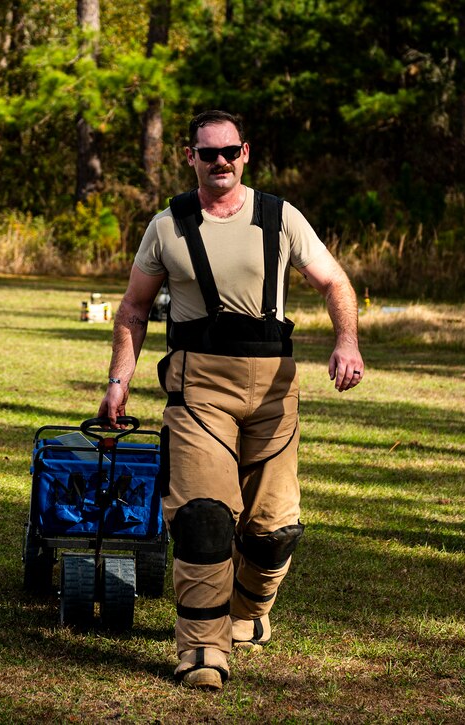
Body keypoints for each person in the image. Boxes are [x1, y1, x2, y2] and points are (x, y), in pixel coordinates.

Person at [98, 110, 363, 691]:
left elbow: (335, 283)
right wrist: (118, 381)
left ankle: (248, 612)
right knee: (203, 519)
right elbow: (134, 309)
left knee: (274, 532)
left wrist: (347, 340)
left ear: (246, 153)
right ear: (189, 157)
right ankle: (201, 648)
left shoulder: (280, 217)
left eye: (229, 151)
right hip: (199, 386)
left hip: (274, 387)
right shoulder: (166, 225)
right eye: (207, 152)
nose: (219, 161)